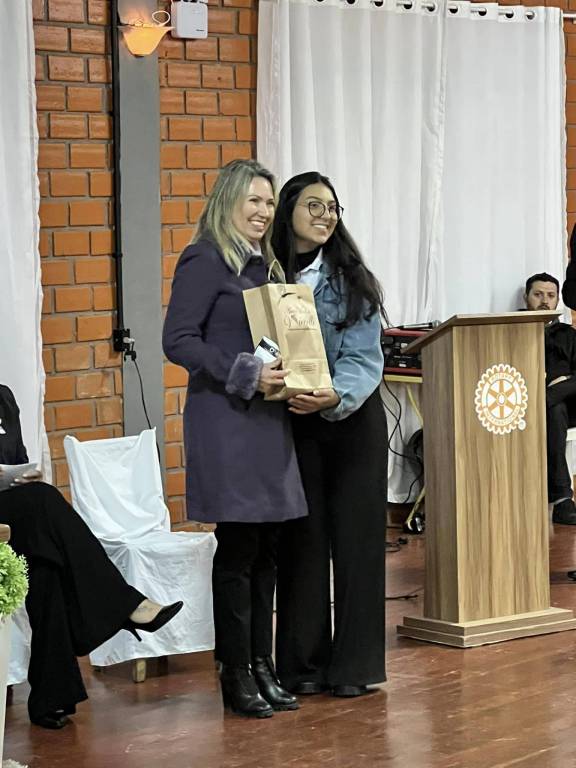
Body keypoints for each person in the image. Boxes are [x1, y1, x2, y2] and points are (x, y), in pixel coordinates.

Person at [162, 159, 307, 719]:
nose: (263, 211)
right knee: (239, 549)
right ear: (228, 201)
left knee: (267, 550)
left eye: (269, 202)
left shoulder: (266, 268)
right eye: (253, 200)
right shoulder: (205, 258)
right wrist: (244, 371)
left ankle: (262, 665)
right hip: (226, 419)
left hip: (267, 421)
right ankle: (235, 672)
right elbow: (178, 340)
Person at [0, 383, 183, 729]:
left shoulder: (4, 398)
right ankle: (122, 603)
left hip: (13, 518)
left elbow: (17, 463)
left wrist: (23, 475)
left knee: (46, 562)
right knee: (43, 500)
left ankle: (52, 696)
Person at [271, 171, 388, 698]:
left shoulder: (352, 278)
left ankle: (355, 668)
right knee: (303, 543)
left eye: (333, 208)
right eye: (314, 206)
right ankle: (302, 665)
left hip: (351, 419)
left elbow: (365, 358)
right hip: (294, 420)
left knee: (357, 543)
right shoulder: (266, 274)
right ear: (288, 210)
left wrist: (334, 395)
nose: (325, 216)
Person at [523, 273, 576, 525]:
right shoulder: (511, 332)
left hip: (566, 405)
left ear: (557, 300)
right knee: (554, 410)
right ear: (526, 297)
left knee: (554, 405)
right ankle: (562, 500)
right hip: (527, 405)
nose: (545, 300)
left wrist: (555, 390)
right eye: (538, 294)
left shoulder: (569, 335)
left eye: (551, 295)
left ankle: (562, 497)